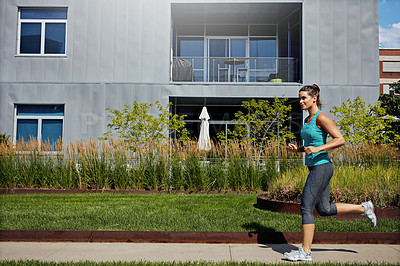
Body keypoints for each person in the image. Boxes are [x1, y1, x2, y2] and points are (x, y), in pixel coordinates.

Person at [284, 84, 377, 262]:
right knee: (324, 209)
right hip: (315, 167)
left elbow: (340, 139)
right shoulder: (307, 120)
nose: (301, 101)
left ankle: (305, 252)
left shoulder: (322, 117)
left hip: (322, 167)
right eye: (300, 98)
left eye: (304, 98)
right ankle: (364, 208)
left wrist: (318, 148)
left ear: (314, 98)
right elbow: (311, 146)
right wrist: (298, 150)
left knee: (306, 206)